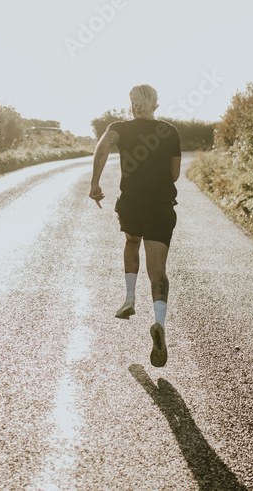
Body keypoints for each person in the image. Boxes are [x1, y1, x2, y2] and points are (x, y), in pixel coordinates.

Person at [89, 84, 181, 367]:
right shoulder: (169, 131)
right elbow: (174, 175)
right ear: (155, 104)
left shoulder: (120, 128)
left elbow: (103, 147)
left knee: (131, 242)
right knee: (158, 271)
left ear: (132, 104)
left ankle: (129, 298)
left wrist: (95, 183)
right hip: (160, 208)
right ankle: (159, 322)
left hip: (132, 205)